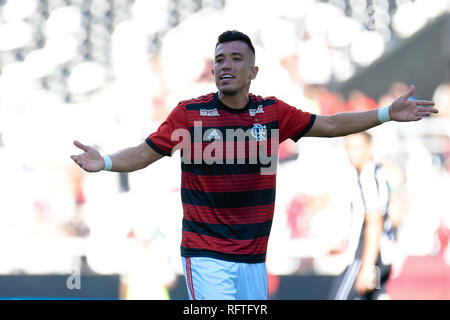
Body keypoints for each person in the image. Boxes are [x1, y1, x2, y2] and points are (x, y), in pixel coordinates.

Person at [70, 30, 437, 300]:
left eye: (235, 58)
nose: (225, 65)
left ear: (253, 71)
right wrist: (103, 161)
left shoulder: (272, 113)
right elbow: (144, 152)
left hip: (254, 260)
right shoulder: (190, 114)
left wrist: (387, 113)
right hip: (206, 255)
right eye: (219, 60)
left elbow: (331, 125)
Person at [328, 132, 395, 300]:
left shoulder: (368, 176)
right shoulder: (377, 172)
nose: (351, 153)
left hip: (366, 257)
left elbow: (375, 221)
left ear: (369, 148)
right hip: (381, 258)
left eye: (356, 148)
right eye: (348, 148)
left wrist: (366, 266)